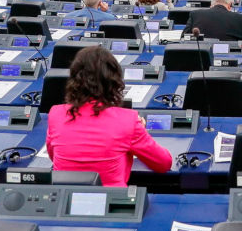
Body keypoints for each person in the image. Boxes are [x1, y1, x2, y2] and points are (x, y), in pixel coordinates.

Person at [45, 45, 174, 186]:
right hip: (110, 204)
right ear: (113, 81)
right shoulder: (129, 121)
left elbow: (54, 157)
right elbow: (164, 163)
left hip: (64, 203)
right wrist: (139, 132)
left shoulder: (55, 114)